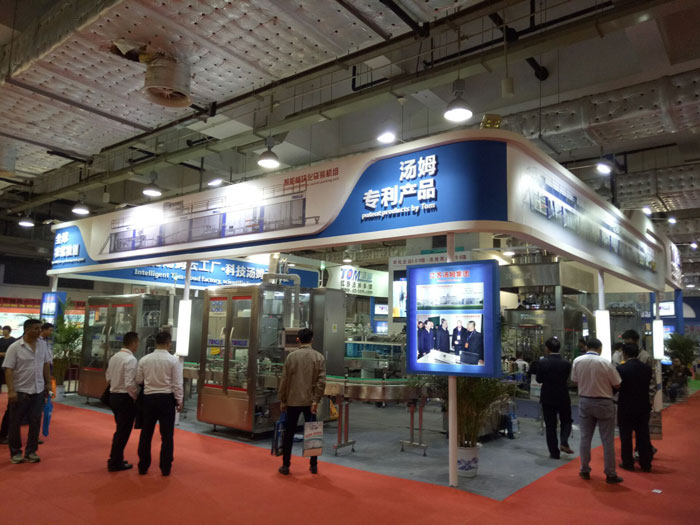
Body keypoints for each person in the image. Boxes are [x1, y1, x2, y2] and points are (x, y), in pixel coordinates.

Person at [571, 338, 623, 483]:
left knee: (585, 438)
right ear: (600, 349)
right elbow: (617, 384)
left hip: (585, 401)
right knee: (607, 440)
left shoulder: (577, 361)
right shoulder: (605, 363)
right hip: (604, 402)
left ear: (586, 347)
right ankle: (610, 473)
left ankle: (584, 469)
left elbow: (575, 380)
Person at [278, 328, 326, 475]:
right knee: (313, 432)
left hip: (293, 400)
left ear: (298, 339)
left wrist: (283, 399)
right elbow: (321, 382)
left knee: (289, 433)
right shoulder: (319, 357)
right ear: (312, 339)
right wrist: (316, 400)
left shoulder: (291, 357)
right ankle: (313, 465)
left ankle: (286, 465)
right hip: (310, 402)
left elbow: (285, 380)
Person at [2, 319, 51, 464]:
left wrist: (48, 383)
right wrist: (11, 391)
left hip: (38, 390)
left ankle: (31, 452)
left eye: (40, 328)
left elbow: (46, 364)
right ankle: (15, 452)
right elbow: (8, 370)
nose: (39, 331)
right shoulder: (15, 347)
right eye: (36, 328)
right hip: (20, 391)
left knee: (35, 422)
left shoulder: (43, 345)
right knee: (15, 423)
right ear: (27, 329)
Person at [136, 331, 183, 476]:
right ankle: (165, 467)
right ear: (168, 344)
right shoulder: (174, 361)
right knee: (167, 435)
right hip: (166, 399)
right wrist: (179, 400)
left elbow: (138, 380)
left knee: (146, 434)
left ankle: (143, 466)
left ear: (156, 343)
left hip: (148, 398)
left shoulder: (144, 360)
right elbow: (177, 383)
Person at [616, 343, 653, 472]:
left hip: (626, 406)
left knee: (626, 436)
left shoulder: (621, 369)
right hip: (643, 405)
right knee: (643, 434)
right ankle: (646, 463)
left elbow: (617, 387)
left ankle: (628, 462)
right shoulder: (647, 368)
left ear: (624, 354)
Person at [106, 331, 139, 472]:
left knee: (120, 429)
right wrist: (135, 397)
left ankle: (117, 458)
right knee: (123, 431)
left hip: (113, 396)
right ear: (133, 343)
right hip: (125, 398)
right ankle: (114, 461)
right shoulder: (131, 360)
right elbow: (130, 383)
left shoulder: (114, 357)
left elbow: (108, 377)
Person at [536, 338, 573, 459]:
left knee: (550, 425)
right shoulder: (566, 363)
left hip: (547, 396)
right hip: (563, 395)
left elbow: (539, 379)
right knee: (566, 420)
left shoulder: (543, 362)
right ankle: (564, 441)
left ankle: (554, 453)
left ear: (547, 348)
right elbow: (566, 379)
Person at [0, 326, 17, 444]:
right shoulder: (1, 340)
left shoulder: (13, 341)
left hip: (6, 368)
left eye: (5, 330)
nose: (3, 331)